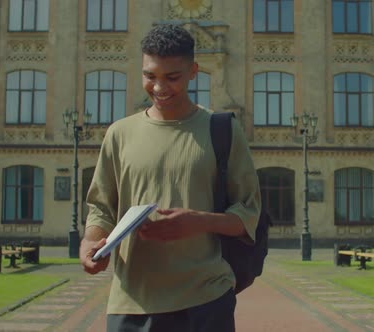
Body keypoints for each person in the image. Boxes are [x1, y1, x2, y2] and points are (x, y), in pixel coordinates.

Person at [79, 24, 261, 332]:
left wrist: (198, 221)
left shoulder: (222, 130)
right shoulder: (119, 134)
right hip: (132, 302)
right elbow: (101, 208)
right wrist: (88, 244)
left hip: (205, 298)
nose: (159, 87)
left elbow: (248, 214)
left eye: (172, 77)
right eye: (150, 76)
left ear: (193, 71)